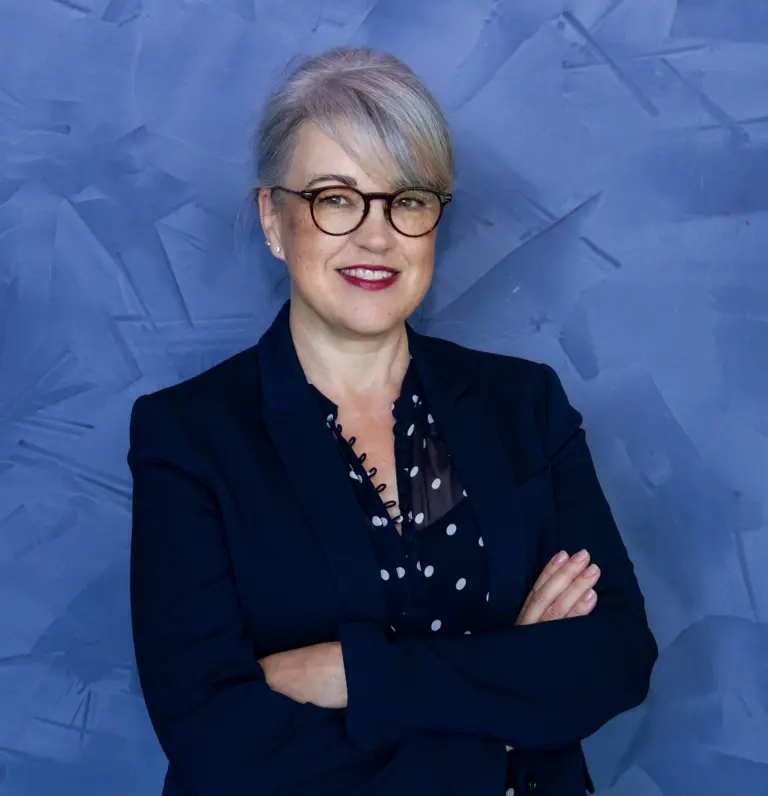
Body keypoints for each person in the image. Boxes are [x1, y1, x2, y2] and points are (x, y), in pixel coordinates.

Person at [128, 47, 658, 796]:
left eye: (406, 199)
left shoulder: (524, 405)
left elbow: (616, 656)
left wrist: (356, 674)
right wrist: (503, 723)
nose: (375, 237)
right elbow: (216, 738)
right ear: (273, 220)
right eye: (336, 198)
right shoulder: (188, 437)